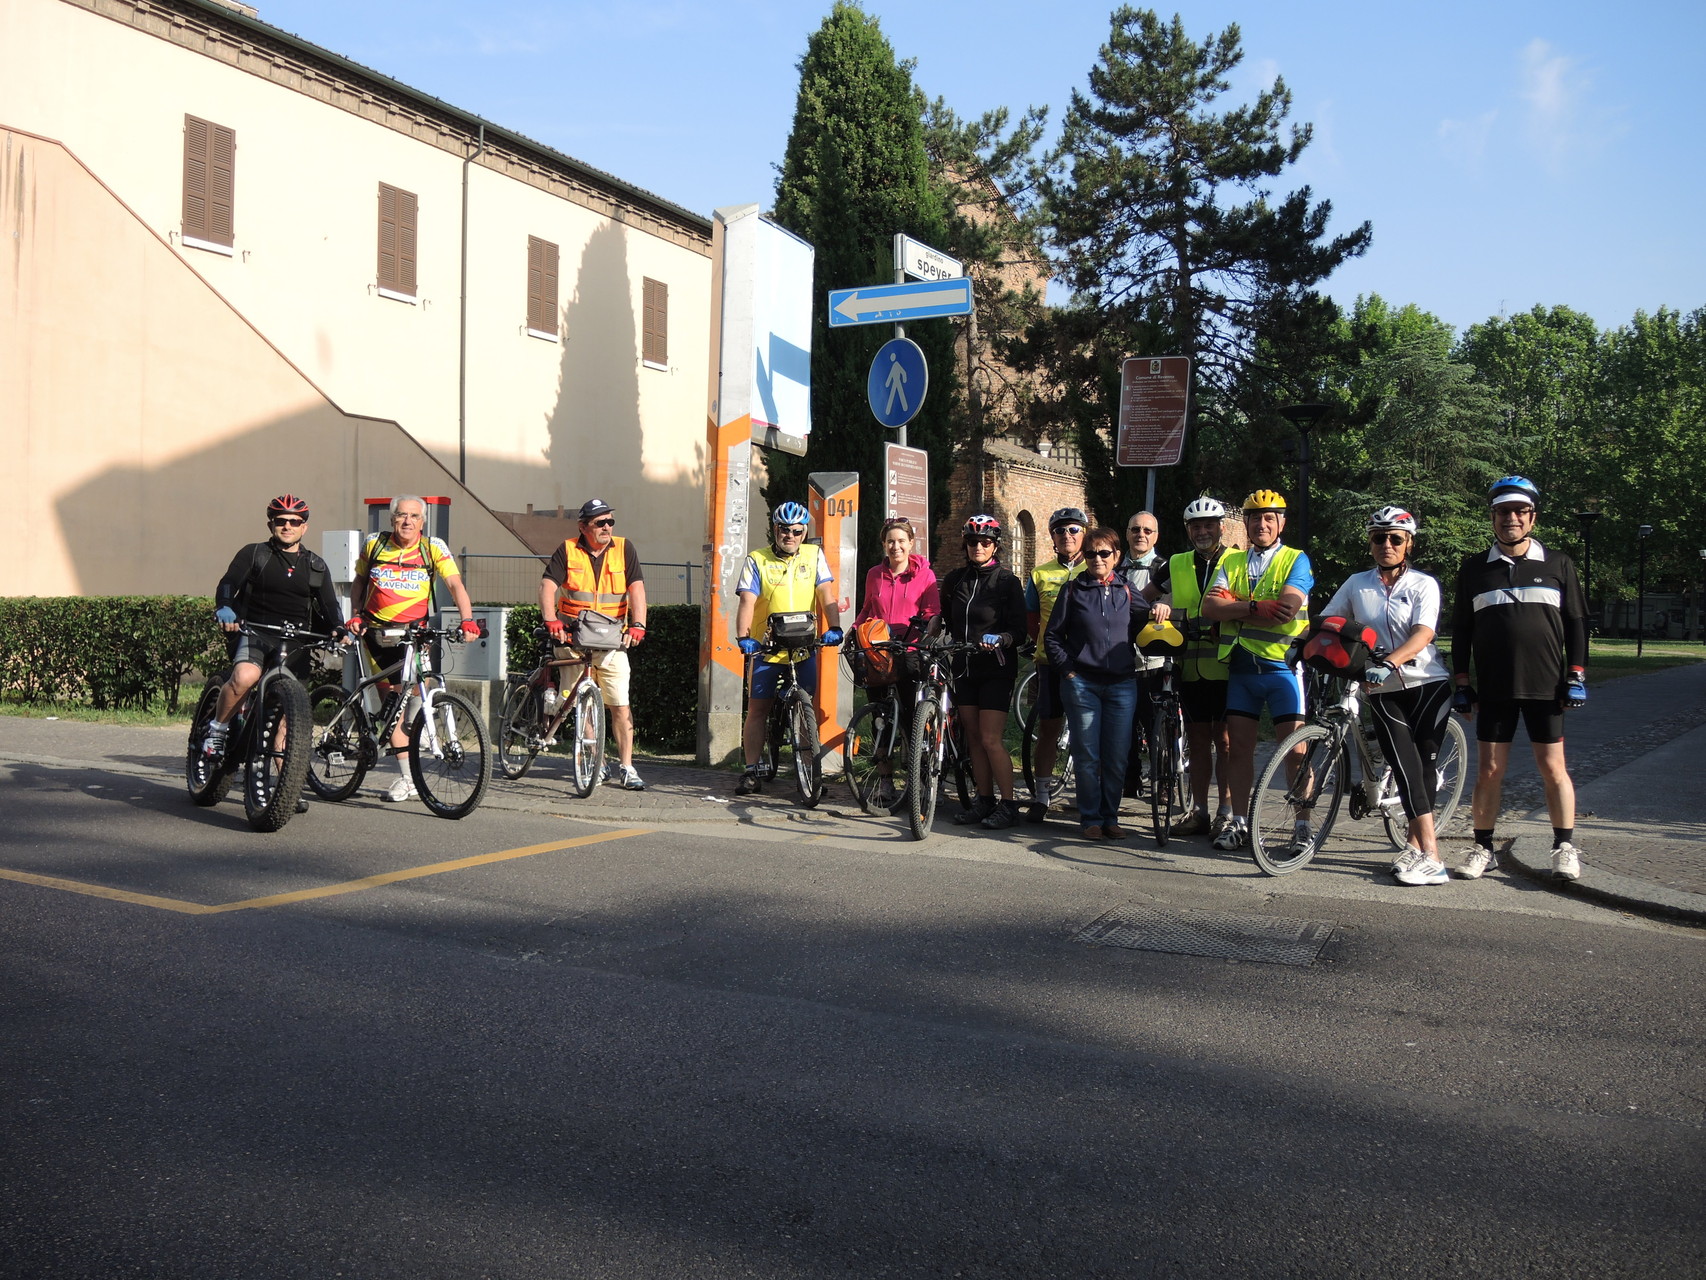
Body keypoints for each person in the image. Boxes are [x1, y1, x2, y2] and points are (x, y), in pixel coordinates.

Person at [1450, 476, 1590, 881]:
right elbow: (1462, 629)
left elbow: (1577, 623)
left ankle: (1564, 845)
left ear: (1532, 517)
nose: (1510, 518)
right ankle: (1481, 847)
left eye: (1519, 511)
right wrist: (1462, 682)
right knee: (1489, 770)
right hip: (1495, 687)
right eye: (1502, 511)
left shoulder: (1558, 563)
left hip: (1546, 686)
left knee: (1553, 768)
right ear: (1492, 517)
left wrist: (1576, 674)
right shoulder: (1475, 568)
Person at [1320, 507, 1454, 885]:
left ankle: (1425, 854)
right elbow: (1332, 620)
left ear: (1409, 543)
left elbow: (1423, 634)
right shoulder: (1357, 584)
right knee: (1405, 765)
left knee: (1423, 767)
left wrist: (1392, 661)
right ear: (1371, 543)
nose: (1387, 544)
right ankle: (1426, 853)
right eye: (1379, 538)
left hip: (1427, 682)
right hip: (1382, 688)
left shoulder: (1423, 584)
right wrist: (1311, 644)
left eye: (1396, 538)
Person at [204, 494, 345, 813]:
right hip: (255, 631)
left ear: (304, 527)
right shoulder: (255, 554)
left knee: (285, 719)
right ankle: (219, 729)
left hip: (295, 641)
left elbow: (330, 607)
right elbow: (228, 584)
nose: (287, 526)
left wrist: (338, 628)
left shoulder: (315, 565)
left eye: (294, 521)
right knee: (244, 676)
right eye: (280, 521)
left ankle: (287, 786)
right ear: (271, 524)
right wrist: (225, 607)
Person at [1199, 489, 1313, 851]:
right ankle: (1241, 823)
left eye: (1269, 517)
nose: (1261, 524)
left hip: (1283, 669)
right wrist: (1254, 605)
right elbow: (1209, 608)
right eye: (1254, 517)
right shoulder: (1232, 562)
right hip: (1243, 668)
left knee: (1296, 751)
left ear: (1281, 522)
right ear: (1244, 522)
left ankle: (1302, 826)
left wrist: (1237, 604)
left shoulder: (1296, 559)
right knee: (1238, 751)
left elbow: (1286, 609)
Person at [347, 495, 480, 802]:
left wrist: (468, 620)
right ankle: (407, 779)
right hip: (377, 635)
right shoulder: (375, 544)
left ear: (423, 521)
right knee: (392, 707)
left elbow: (456, 585)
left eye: (414, 516)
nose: (407, 521)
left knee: (420, 690)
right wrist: (354, 614)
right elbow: (359, 582)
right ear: (392, 519)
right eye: (401, 516)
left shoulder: (433, 547)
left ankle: (415, 729)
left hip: (414, 634)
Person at [1045, 526, 1152, 840]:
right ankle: (1090, 818)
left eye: (1104, 553)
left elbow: (1146, 622)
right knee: (1088, 754)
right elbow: (1053, 637)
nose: (1097, 559)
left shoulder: (1127, 590)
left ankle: (1111, 816)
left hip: (1121, 684)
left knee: (1117, 754)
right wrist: (1068, 671)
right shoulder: (1073, 590)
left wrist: (1161, 609)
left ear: (1116, 556)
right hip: (1083, 684)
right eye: (1090, 553)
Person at [539, 498, 649, 791]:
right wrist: (552, 621)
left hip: (613, 643)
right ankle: (597, 763)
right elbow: (548, 585)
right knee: (578, 704)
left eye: (610, 521)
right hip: (573, 640)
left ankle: (627, 767)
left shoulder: (625, 549)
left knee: (621, 707)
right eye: (600, 523)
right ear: (583, 527)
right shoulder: (568, 549)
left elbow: (636, 588)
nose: (607, 527)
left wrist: (639, 625)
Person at [733, 502, 842, 796]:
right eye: (784, 529)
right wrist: (744, 637)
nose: (790, 535)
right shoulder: (757, 560)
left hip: (804, 647)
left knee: (807, 708)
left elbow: (825, 594)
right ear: (775, 529)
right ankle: (751, 771)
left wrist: (834, 627)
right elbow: (747, 601)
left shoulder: (814, 555)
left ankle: (809, 772)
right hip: (767, 649)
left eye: (796, 530)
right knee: (758, 709)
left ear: (804, 531)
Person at [1144, 497, 1234, 836]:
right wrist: (1156, 608)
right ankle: (1199, 811)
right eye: (1196, 526)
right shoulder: (1176, 563)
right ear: (1187, 530)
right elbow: (1143, 595)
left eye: (1209, 524)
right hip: (1189, 667)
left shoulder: (1236, 560)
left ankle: (1226, 810)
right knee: (1196, 742)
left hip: (1226, 666)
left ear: (1221, 527)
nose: (1203, 531)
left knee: (1224, 742)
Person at [936, 515, 1027, 829]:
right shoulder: (955, 580)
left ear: (995, 545)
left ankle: (1010, 804)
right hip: (963, 666)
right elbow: (945, 616)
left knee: (990, 739)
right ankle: (984, 800)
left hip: (996, 668)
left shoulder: (1006, 582)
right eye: (973, 541)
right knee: (973, 738)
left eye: (985, 542)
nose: (978, 546)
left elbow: (1020, 630)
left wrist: (1002, 638)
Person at [854, 517, 940, 808]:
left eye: (901, 541)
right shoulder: (874, 574)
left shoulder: (923, 574)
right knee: (880, 720)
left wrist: (925, 633)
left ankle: (920, 780)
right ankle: (886, 782)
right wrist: (854, 631)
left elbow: (931, 610)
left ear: (911, 544)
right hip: (879, 652)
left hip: (909, 651)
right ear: (884, 545)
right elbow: (868, 608)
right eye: (890, 541)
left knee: (913, 720)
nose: (896, 546)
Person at [1023, 507, 1089, 819]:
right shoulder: (1039, 574)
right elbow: (1032, 622)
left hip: (1089, 665)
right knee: (1049, 728)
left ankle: (1088, 795)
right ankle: (1042, 795)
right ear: (1052, 537)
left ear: (1084, 534)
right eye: (1060, 531)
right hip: (1050, 663)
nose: (1067, 536)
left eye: (1073, 530)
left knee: (1087, 731)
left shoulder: (1097, 566)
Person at [1119, 510, 1163, 798]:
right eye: (1136, 529)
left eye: (1148, 530)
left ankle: (1163, 782)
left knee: (1157, 727)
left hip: (1156, 661)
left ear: (1156, 535)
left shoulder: (1165, 568)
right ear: (1127, 533)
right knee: (1125, 728)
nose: (1141, 535)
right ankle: (1130, 780)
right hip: (1123, 661)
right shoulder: (1116, 567)